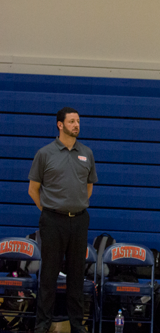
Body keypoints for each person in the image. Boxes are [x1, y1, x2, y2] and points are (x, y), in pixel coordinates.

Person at [28, 107, 98, 333]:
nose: (76, 125)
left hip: (79, 221)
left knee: (76, 277)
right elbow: (33, 189)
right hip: (52, 221)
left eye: (78, 121)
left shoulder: (86, 152)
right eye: (71, 121)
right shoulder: (45, 153)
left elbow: (88, 187)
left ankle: (77, 326)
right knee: (48, 276)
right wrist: (49, 210)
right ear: (60, 125)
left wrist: (74, 206)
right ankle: (42, 326)